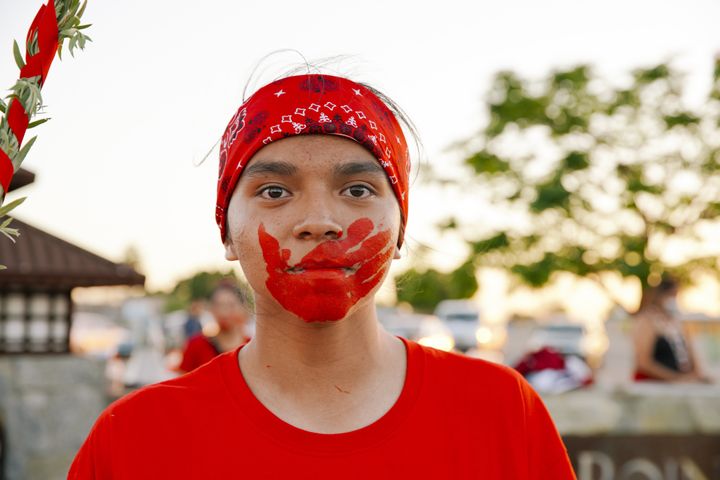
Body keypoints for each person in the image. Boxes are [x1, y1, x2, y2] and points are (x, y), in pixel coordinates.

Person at [68, 67, 576, 479]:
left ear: (400, 229)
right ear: (226, 231)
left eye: (357, 190)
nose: (319, 222)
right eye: (274, 192)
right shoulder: (134, 439)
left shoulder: (503, 413)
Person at [633, 277, 710, 383]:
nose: (674, 299)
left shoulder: (678, 323)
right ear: (660, 296)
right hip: (654, 384)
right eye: (672, 295)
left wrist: (696, 376)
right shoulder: (647, 321)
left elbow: (692, 357)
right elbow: (643, 363)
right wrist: (675, 379)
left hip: (680, 384)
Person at [178, 281, 251, 373]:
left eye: (231, 305)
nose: (224, 312)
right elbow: (183, 381)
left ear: (243, 308)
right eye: (219, 305)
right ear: (212, 309)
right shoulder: (196, 345)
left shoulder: (254, 348)